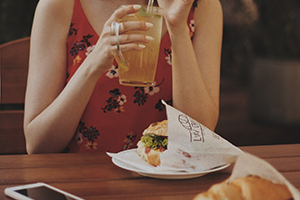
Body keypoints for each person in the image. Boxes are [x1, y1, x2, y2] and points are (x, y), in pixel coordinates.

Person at [24, 0, 223, 154]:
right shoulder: (59, 5)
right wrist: (93, 65)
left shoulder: (200, 7)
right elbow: (37, 143)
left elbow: (200, 133)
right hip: (80, 182)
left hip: (166, 182)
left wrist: (177, 28)